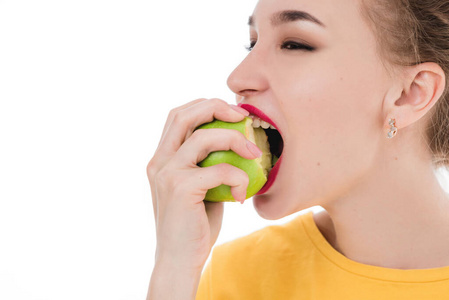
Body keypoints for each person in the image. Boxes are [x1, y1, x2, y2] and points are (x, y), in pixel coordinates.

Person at [146, 0, 449, 298]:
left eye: (294, 44)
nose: (237, 79)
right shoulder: (238, 275)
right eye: (253, 43)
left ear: (410, 94)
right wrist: (173, 270)